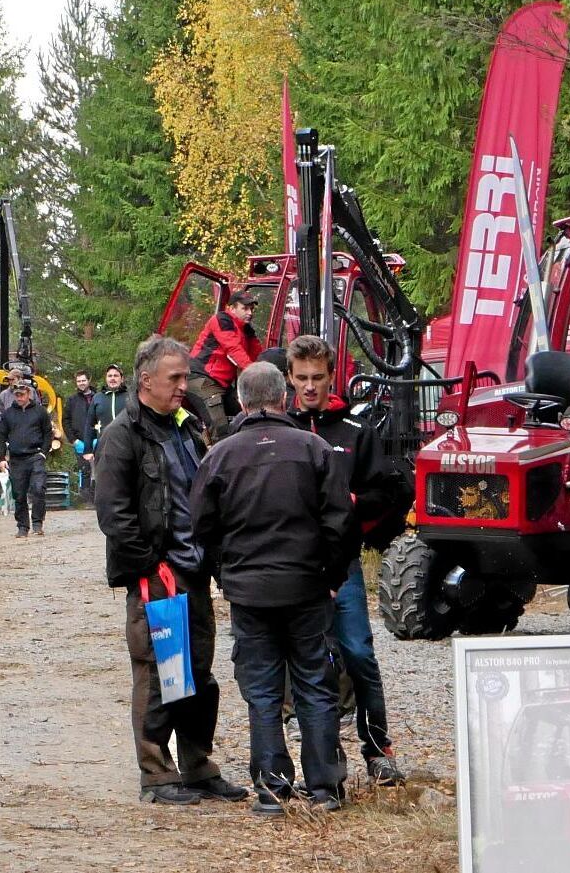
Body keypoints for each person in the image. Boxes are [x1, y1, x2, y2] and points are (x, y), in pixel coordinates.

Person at [190, 361, 353, 814]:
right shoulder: (314, 448)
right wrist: (332, 578)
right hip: (307, 586)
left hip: (251, 591)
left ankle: (271, 788)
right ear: (284, 398)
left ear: (241, 402)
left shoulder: (220, 456)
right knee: (315, 685)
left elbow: (201, 527)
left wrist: (227, 576)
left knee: (261, 691)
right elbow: (340, 522)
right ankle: (324, 788)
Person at [93, 335, 245, 806]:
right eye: (175, 378)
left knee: (199, 672)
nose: (184, 385)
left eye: (185, 376)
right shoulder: (122, 436)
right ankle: (157, 774)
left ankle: (198, 766)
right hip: (155, 576)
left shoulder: (185, 426)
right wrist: (149, 566)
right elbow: (112, 514)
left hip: (194, 571)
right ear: (146, 381)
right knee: (159, 673)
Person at [284, 335, 410, 786]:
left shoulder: (356, 431)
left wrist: (353, 502)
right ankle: (319, 757)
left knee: (357, 652)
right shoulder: (282, 429)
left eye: (318, 378)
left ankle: (378, 749)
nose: (310, 387)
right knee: (305, 659)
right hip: (294, 565)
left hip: (344, 564)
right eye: (301, 379)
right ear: (289, 378)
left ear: (331, 376)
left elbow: (391, 492)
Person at [188, 287, 264, 439]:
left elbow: (259, 354)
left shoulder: (246, 329)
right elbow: (233, 348)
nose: (250, 313)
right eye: (245, 308)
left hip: (221, 382)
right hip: (201, 377)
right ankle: (218, 458)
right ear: (232, 308)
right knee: (219, 425)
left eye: (251, 309)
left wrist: (269, 371)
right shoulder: (222, 320)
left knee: (245, 417)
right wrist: (255, 373)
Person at [0, 379, 54, 537]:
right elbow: (1, 436)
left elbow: (48, 433)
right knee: (19, 494)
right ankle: (22, 526)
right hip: (16, 459)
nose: (19, 397)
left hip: (35, 456)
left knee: (38, 489)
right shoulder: (8, 414)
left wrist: (43, 452)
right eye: (17, 394)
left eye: (22, 394)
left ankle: (37, 523)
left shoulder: (40, 412)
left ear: (29, 394)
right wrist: (1, 457)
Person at [63, 370, 98, 501]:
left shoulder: (98, 397)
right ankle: (86, 499)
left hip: (98, 440)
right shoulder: (72, 400)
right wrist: (73, 440)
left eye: (83, 380)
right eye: (78, 381)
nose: (81, 383)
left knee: (100, 469)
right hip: (81, 441)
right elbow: (65, 420)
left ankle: (99, 498)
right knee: (85, 470)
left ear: (89, 380)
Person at [90, 363, 130, 453]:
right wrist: (87, 450)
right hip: (104, 447)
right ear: (106, 379)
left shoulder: (131, 397)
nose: (112, 378)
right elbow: (89, 424)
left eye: (116, 375)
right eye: (110, 376)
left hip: (127, 446)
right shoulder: (97, 398)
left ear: (122, 379)